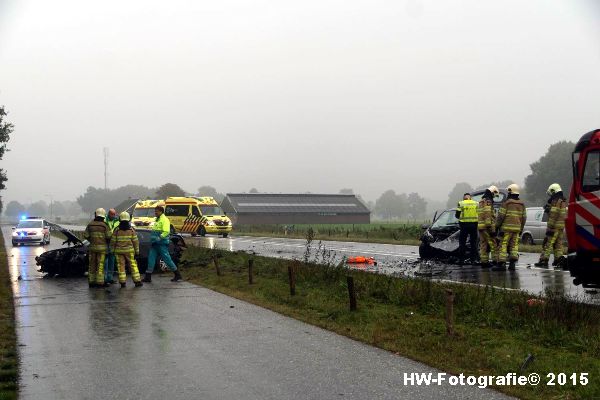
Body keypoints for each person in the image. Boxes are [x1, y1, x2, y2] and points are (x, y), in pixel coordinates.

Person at [142, 205, 182, 283]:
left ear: (161, 211)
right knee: (151, 259)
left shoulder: (164, 220)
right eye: (155, 211)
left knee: (167, 259)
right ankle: (148, 277)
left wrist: (159, 238)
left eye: (156, 211)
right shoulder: (157, 219)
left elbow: (166, 231)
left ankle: (177, 274)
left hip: (161, 244)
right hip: (155, 244)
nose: (155, 213)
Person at [493, 184, 526, 271]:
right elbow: (524, 218)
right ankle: (512, 264)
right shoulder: (522, 204)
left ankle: (501, 264)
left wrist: (496, 227)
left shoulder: (507, 203)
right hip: (516, 229)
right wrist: (521, 229)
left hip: (506, 229)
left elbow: (500, 217)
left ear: (510, 192)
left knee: (503, 245)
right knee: (514, 246)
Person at [535, 183, 567, 267]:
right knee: (558, 244)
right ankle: (558, 260)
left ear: (554, 191)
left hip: (554, 226)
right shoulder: (563, 201)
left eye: (551, 194)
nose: (550, 196)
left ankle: (543, 260)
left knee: (547, 243)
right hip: (560, 227)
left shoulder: (556, 201)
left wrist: (550, 226)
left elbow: (554, 214)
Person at [110, 212, 143, 288]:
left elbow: (112, 242)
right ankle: (137, 281)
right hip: (129, 251)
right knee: (133, 265)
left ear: (120, 219)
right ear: (128, 219)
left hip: (118, 252)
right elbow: (135, 242)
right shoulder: (131, 230)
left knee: (120, 267)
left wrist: (112, 251)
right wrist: (137, 252)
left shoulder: (116, 230)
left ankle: (122, 283)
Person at [83, 208, 112, 288]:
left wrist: (92, 240)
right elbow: (109, 236)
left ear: (96, 214)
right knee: (100, 265)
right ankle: (100, 282)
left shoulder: (90, 224)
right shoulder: (105, 225)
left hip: (92, 249)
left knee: (92, 265)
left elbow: (85, 235)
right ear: (103, 216)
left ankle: (91, 282)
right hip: (102, 249)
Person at [478, 185, 499, 268]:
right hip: (487, 227)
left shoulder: (481, 201)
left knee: (483, 244)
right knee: (493, 243)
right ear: (492, 192)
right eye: (494, 194)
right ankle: (495, 261)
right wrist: (490, 228)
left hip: (480, 226)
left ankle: (484, 261)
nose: (494, 196)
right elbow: (487, 214)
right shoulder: (488, 201)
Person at [455, 192, 479, 264]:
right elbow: (479, 213)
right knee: (473, 243)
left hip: (464, 226)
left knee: (462, 243)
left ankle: (461, 260)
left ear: (464, 198)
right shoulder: (476, 203)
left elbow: (457, 215)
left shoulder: (461, 203)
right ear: (470, 197)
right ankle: (473, 260)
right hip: (474, 225)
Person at [104, 208, 119, 284]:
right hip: (106, 242)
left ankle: (110, 278)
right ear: (108, 214)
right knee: (105, 262)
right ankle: (105, 278)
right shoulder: (104, 220)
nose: (113, 216)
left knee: (112, 261)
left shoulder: (117, 221)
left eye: (114, 214)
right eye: (112, 214)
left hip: (113, 243)